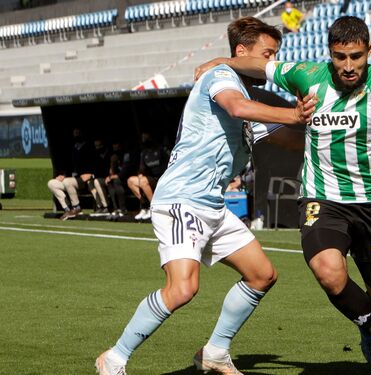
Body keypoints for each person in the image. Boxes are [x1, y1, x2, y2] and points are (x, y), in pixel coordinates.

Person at [196, 16, 371, 375]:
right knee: (328, 271)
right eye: (340, 57)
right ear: (330, 54)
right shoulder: (308, 74)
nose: (349, 66)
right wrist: (223, 61)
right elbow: (261, 65)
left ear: (369, 51)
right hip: (321, 198)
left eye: (356, 56)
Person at [95, 17, 316, 375]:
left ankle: (214, 352)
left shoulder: (247, 94)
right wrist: (293, 113)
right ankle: (115, 358)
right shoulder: (222, 78)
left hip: (211, 204)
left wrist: (323, 125)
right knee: (182, 289)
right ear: (241, 52)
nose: (272, 62)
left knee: (262, 274)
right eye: (267, 54)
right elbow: (236, 108)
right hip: (182, 199)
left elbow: (285, 137)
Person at [46, 127, 97, 220]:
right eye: (75, 133)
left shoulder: (89, 147)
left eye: (78, 133)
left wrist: (91, 173)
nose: (76, 135)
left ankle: (77, 207)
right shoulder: (73, 147)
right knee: (51, 183)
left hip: (84, 180)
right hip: (72, 178)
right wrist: (63, 175)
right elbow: (70, 166)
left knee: (67, 182)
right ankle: (67, 208)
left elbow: (95, 163)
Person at [127, 132, 167, 221]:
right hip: (149, 178)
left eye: (146, 137)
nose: (144, 139)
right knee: (131, 180)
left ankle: (154, 208)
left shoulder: (160, 150)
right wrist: (140, 175)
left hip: (161, 178)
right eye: (143, 137)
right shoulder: (144, 152)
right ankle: (144, 207)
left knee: (143, 181)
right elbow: (142, 168)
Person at [106, 141, 135, 218]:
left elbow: (125, 172)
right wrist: (112, 163)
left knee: (116, 181)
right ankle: (116, 208)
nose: (115, 147)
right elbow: (111, 173)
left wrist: (113, 177)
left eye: (116, 145)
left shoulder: (127, 155)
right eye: (113, 145)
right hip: (118, 178)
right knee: (110, 182)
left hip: (128, 178)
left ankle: (123, 208)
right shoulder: (115, 156)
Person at [90, 138, 111, 216]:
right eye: (96, 146)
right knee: (90, 183)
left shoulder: (109, 154)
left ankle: (106, 207)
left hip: (108, 178)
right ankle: (100, 206)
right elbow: (95, 169)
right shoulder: (96, 155)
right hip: (100, 178)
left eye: (99, 145)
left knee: (96, 181)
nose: (98, 147)